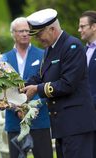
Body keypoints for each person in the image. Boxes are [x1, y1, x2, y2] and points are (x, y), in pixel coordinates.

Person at [23, 8, 96, 158]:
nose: (37, 39)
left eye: (39, 34)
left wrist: (37, 89)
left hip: (77, 125)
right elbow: (41, 76)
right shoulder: (50, 49)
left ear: (52, 29)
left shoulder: (72, 46)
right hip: (62, 126)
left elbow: (67, 84)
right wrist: (16, 88)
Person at [4, 17, 53, 158]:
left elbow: (47, 83)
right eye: (21, 31)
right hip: (15, 121)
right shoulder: (3, 60)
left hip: (39, 119)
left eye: (28, 31)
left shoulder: (44, 55)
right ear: (13, 33)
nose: (25, 34)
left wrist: (32, 107)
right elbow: (2, 91)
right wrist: (17, 109)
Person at [78, 10, 96, 157]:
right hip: (86, 116)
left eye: (83, 26)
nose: (79, 30)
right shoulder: (83, 50)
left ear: (94, 27)